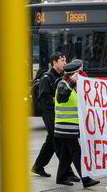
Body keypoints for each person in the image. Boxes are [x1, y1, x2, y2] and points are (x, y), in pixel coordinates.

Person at [31, 52, 79, 180]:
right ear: (54, 63)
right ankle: (67, 173)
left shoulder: (63, 76)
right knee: (59, 142)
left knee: (51, 142)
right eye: (62, 60)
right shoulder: (47, 77)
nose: (65, 62)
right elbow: (44, 98)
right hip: (50, 114)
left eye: (65, 60)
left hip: (59, 114)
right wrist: (58, 99)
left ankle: (38, 166)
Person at [53, 59, 100, 188]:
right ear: (75, 73)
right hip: (66, 128)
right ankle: (85, 179)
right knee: (76, 153)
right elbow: (61, 97)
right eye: (80, 72)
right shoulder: (62, 84)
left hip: (70, 128)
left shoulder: (74, 86)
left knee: (66, 155)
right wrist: (72, 83)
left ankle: (61, 177)